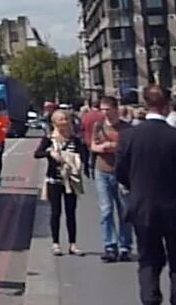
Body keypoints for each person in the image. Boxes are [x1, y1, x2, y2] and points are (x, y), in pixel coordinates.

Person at [116, 85, 176, 305]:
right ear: (167, 106)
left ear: (145, 105)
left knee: (148, 261)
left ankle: (150, 300)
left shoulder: (128, 137)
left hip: (143, 209)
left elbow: (121, 172)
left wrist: (137, 189)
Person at [34, 109, 86, 256]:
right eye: (61, 119)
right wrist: (49, 153)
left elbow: (83, 154)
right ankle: (56, 243)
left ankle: (73, 244)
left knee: (71, 212)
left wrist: (78, 161)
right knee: (55, 212)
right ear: (55, 122)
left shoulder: (75, 140)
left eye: (66, 119)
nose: (65, 122)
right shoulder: (49, 139)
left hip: (71, 180)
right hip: (54, 180)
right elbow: (37, 154)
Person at [90, 95, 133, 262]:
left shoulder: (126, 128)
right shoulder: (98, 126)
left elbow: (129, 147)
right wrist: (101, 147)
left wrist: (113, 146)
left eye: (108, 109)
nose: (105, 113)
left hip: (122, 173)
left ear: (116, 109)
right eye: (103, 109)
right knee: (106, 210)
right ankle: (110, 246)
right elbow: (93, 145)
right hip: (102, 171)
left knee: (124, 211)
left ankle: (125, 247)